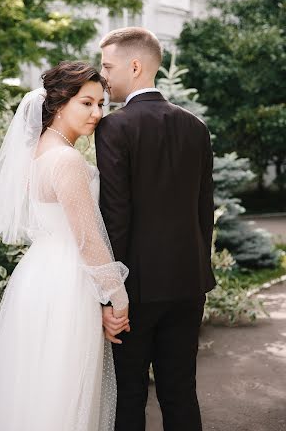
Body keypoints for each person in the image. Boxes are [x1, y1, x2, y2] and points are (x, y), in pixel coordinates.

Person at [0, 61, 129, 431]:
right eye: (86, 103)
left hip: (36, 275)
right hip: (67, 282)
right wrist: (118, 298)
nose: (97, 113)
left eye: (101, 104)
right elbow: (87, 239)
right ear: (58, 104)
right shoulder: (67, 159)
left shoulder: (38, 152)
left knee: (35, 384)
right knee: (63, 386)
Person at [95, 27, 216, 431]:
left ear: (135, 65)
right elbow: (205, 211)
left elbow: (116, 215)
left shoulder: (115, 127)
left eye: (108, 66)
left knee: (130, 394)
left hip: (137, 290)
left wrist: (111, 292)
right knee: (181, 390)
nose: (103, 76)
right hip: (189, 282)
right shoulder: (196, 126)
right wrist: (200, 267)